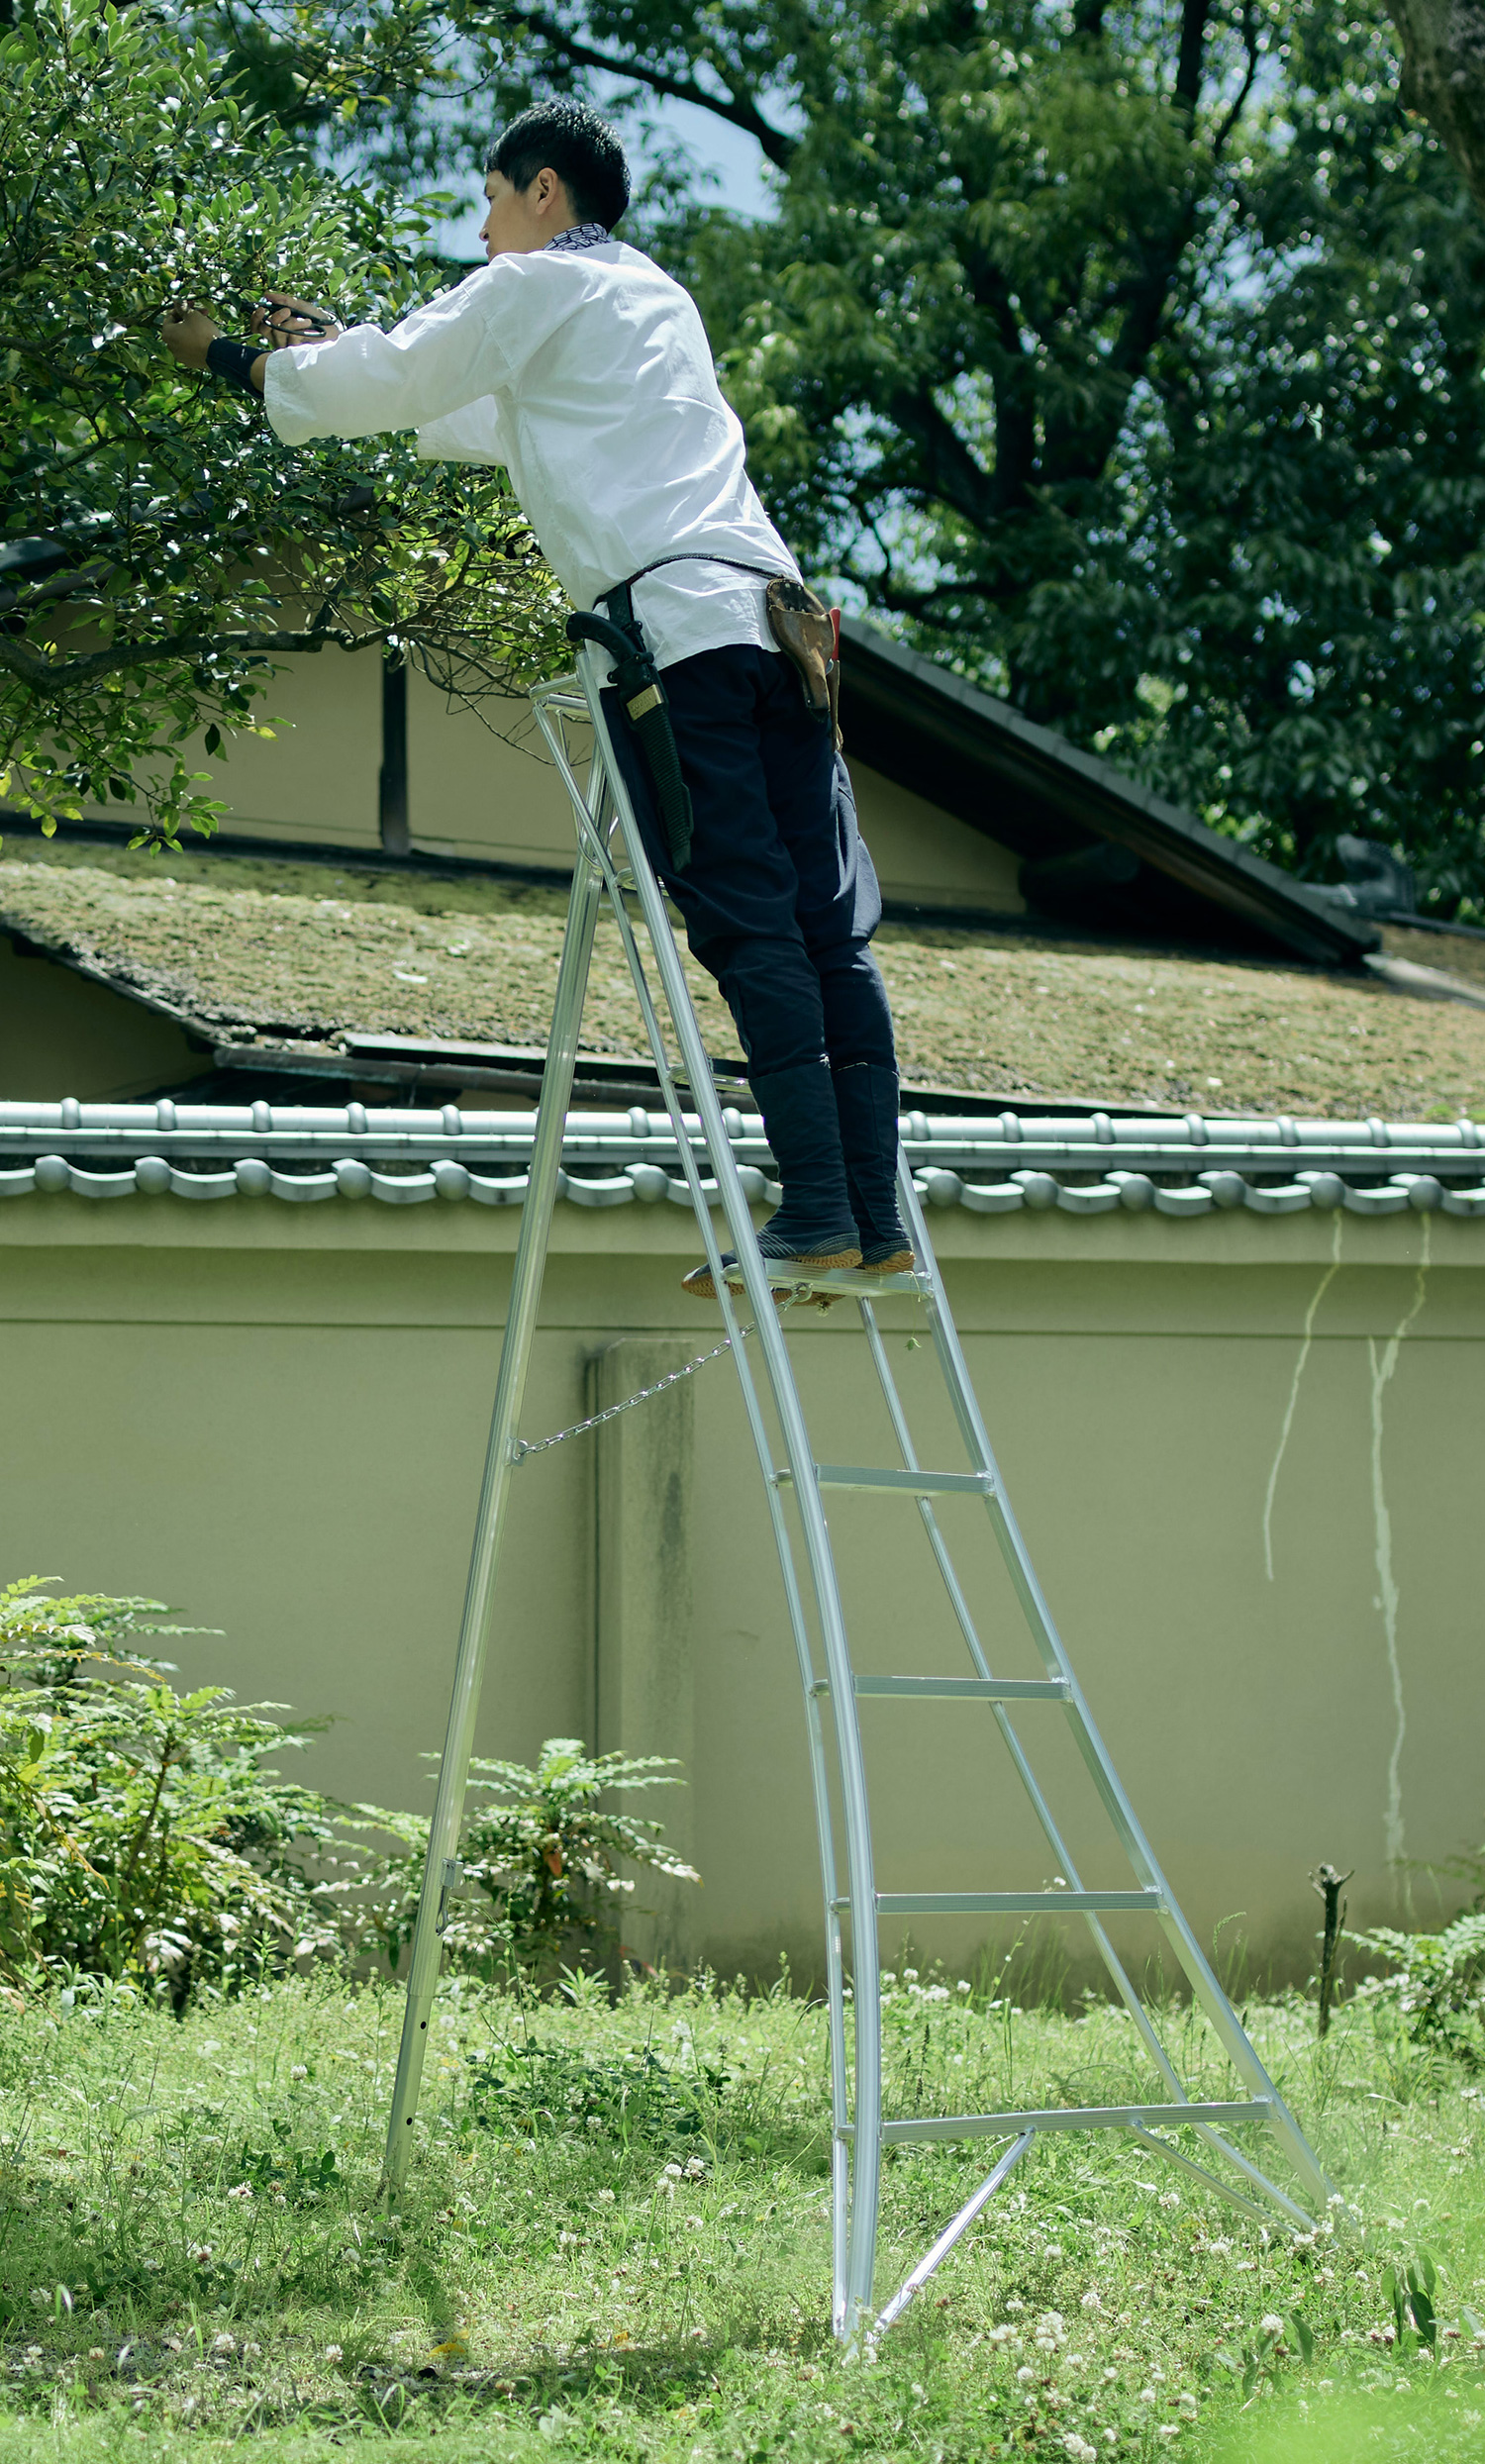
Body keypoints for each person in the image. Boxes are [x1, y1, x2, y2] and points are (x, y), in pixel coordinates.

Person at [162, 100, 912, 1296]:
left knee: (747, 918)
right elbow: (472, 408)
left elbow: (407, 376)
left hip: (684, 645)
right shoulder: (652, 296)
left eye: (494, 198)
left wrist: (236, 361)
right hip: (783, 633)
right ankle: (876, 1219)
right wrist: (341, 344)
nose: (484, 224)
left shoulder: (529, 286)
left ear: (545, 190)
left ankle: (818, 1208)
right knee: (830, 930)